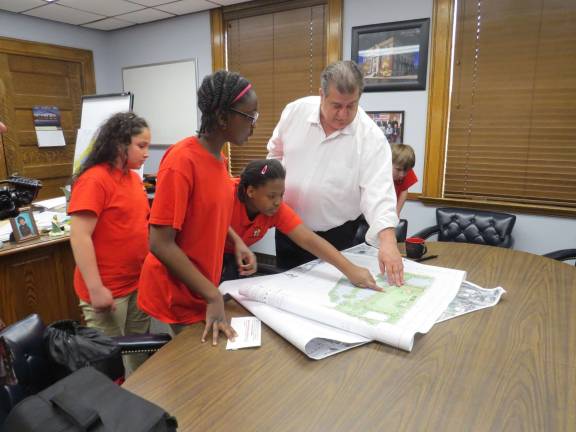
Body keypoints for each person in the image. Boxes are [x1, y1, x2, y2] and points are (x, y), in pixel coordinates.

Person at [137, 70, 258, 345]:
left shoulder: (219, 159)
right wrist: (212, 295)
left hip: (200, 292)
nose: (253, 125)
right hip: (173, 299)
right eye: (249, 117)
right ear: (223, 118)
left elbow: (205, 213)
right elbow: (159, 242)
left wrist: (236, 240)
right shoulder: (181, 162)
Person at [267, 60, 404, 286]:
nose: (343, 114)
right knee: (286, 291)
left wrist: (388, 241)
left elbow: (378, 193)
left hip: (336, 237)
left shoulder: (371, 138)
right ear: (321, 94)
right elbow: (276, 153)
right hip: (289, 229)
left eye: (351, 106)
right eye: (336, 105)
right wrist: (274, 196)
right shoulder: (295, 112)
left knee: (330, 296)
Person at [68, 112, 152, 373]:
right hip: (107, 290)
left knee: (141, 355)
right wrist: (95, 289)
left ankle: (142, 405)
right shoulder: (95, 180)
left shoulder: (133, 179)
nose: (147, 153)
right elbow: (79, 236)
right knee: (109, 364)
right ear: (119, 144)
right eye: (141, 146)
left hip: (137, 283)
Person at [222, 159, 380, 290]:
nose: (278, 202)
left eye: (281, 195)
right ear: (250, 191)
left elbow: (309, 240)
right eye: (271, 196)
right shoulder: (225, 192)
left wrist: (350, 270)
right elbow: (204, 217)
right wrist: (237, 241)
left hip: (233, 257)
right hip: (206, 253)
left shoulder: (276, 210)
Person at [391, 143, 418, 216]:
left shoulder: (406, 167)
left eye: (406, 171)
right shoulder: (379, 170)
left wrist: (396, 212)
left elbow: (404, 190)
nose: (402, 175)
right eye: (398, 170)